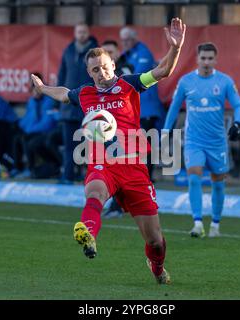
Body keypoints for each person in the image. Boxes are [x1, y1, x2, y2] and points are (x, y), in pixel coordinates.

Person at [32, 18, 186, 284]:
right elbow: (63, 93)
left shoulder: (130, 85)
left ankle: (157, 267)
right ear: (89, 73)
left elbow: (162, 72)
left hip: (134, 167)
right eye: (94, 70)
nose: (100, 73)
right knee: (94, 192)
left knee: (156, 241)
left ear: (112, 65)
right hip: (102, 161)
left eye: (104, 67)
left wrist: (176, 48)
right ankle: (88, 233)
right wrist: (44, 88)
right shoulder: (85, 94)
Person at [163, 42, 240, 238]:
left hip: (217, 142)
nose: (206, 62)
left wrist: (238, 123)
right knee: (194, 176)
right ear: (197, 59)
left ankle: (215, 224)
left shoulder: (225, 82)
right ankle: (197, 223)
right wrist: (166, 131)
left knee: (218, 183)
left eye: (210, 58)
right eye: (203, 58)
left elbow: (239, 106)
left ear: (216, 60)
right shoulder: (186, 82)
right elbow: (174, 108)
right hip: (194, 140)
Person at [120, 26, 165, 181]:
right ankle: (137, 175)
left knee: (146, 143)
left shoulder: (144, 53)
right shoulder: (125, 55)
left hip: (147, 108)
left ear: (134, 39)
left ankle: (147, 176)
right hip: (132, 108)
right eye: (123, 40)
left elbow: (136, 78)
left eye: (128, 40)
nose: (125, 43)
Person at [57, 23, 98, 184]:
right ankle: (68, 176)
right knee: (69, 145)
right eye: (79, 32)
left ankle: (91, 177)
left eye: (84, 32)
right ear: (75, 33)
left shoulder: (95, 52)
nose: (81, 34)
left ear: (88, 33)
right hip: (68, 105)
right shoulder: (68, 50)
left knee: (90, 144)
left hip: (88, 104)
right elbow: (62, 75)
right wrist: (57, 100)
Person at [101, 40, 134, 219]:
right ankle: (117, 204)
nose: (107, 54)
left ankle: (118, 205)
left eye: (110, 51)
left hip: (125, 126)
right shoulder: (100, 75)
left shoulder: (125, 71)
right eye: (104, 51)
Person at [11, 73, 57, 177]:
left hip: (45, 131)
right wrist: (21, 126)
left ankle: (30, 169)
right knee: (16, 138)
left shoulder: (49, 100)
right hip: (33, 130)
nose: (35, 93)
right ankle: (17, 168)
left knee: (26, 140)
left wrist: (30, 130)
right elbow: (28, 118)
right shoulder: (32, 101)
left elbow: (47, 123)